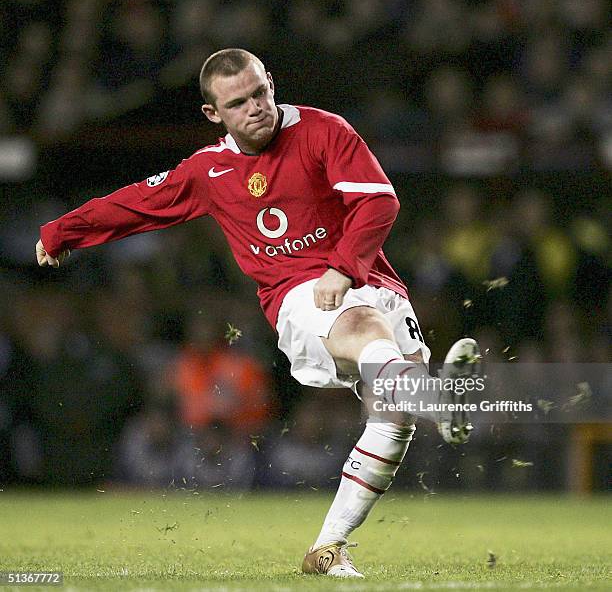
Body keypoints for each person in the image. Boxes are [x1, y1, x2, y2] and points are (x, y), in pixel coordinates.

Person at [36, 48, 480, 578]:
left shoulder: (323, 131)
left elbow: (379, 201)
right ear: (213, 114)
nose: (255, 109)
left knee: (393, 414)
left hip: (372, 280)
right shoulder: (210, 170)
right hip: (299, 294)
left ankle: (328, 548)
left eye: (260, 93)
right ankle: (440, 399)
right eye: (238, 103)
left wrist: (345, 267)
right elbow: (138, 203)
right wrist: (63, 231)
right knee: (366, 335)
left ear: (271, 83)